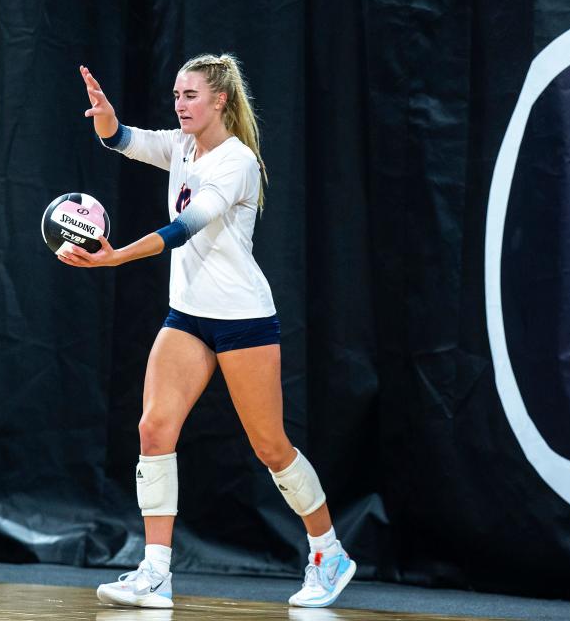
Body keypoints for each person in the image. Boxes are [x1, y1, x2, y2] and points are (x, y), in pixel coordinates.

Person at [60, 54, 356, 609]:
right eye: (176, 95)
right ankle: (155, 574)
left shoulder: (236, 162)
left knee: (271, 447)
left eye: (190, 95)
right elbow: (123, 139)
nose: (180, 104)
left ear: (220, 100)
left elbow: (184, 227)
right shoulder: (182, 145)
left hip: (242, 316)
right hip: (188, 315)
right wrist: (105, 117)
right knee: (154, 429)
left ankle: (328, 550)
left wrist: (117, 256)